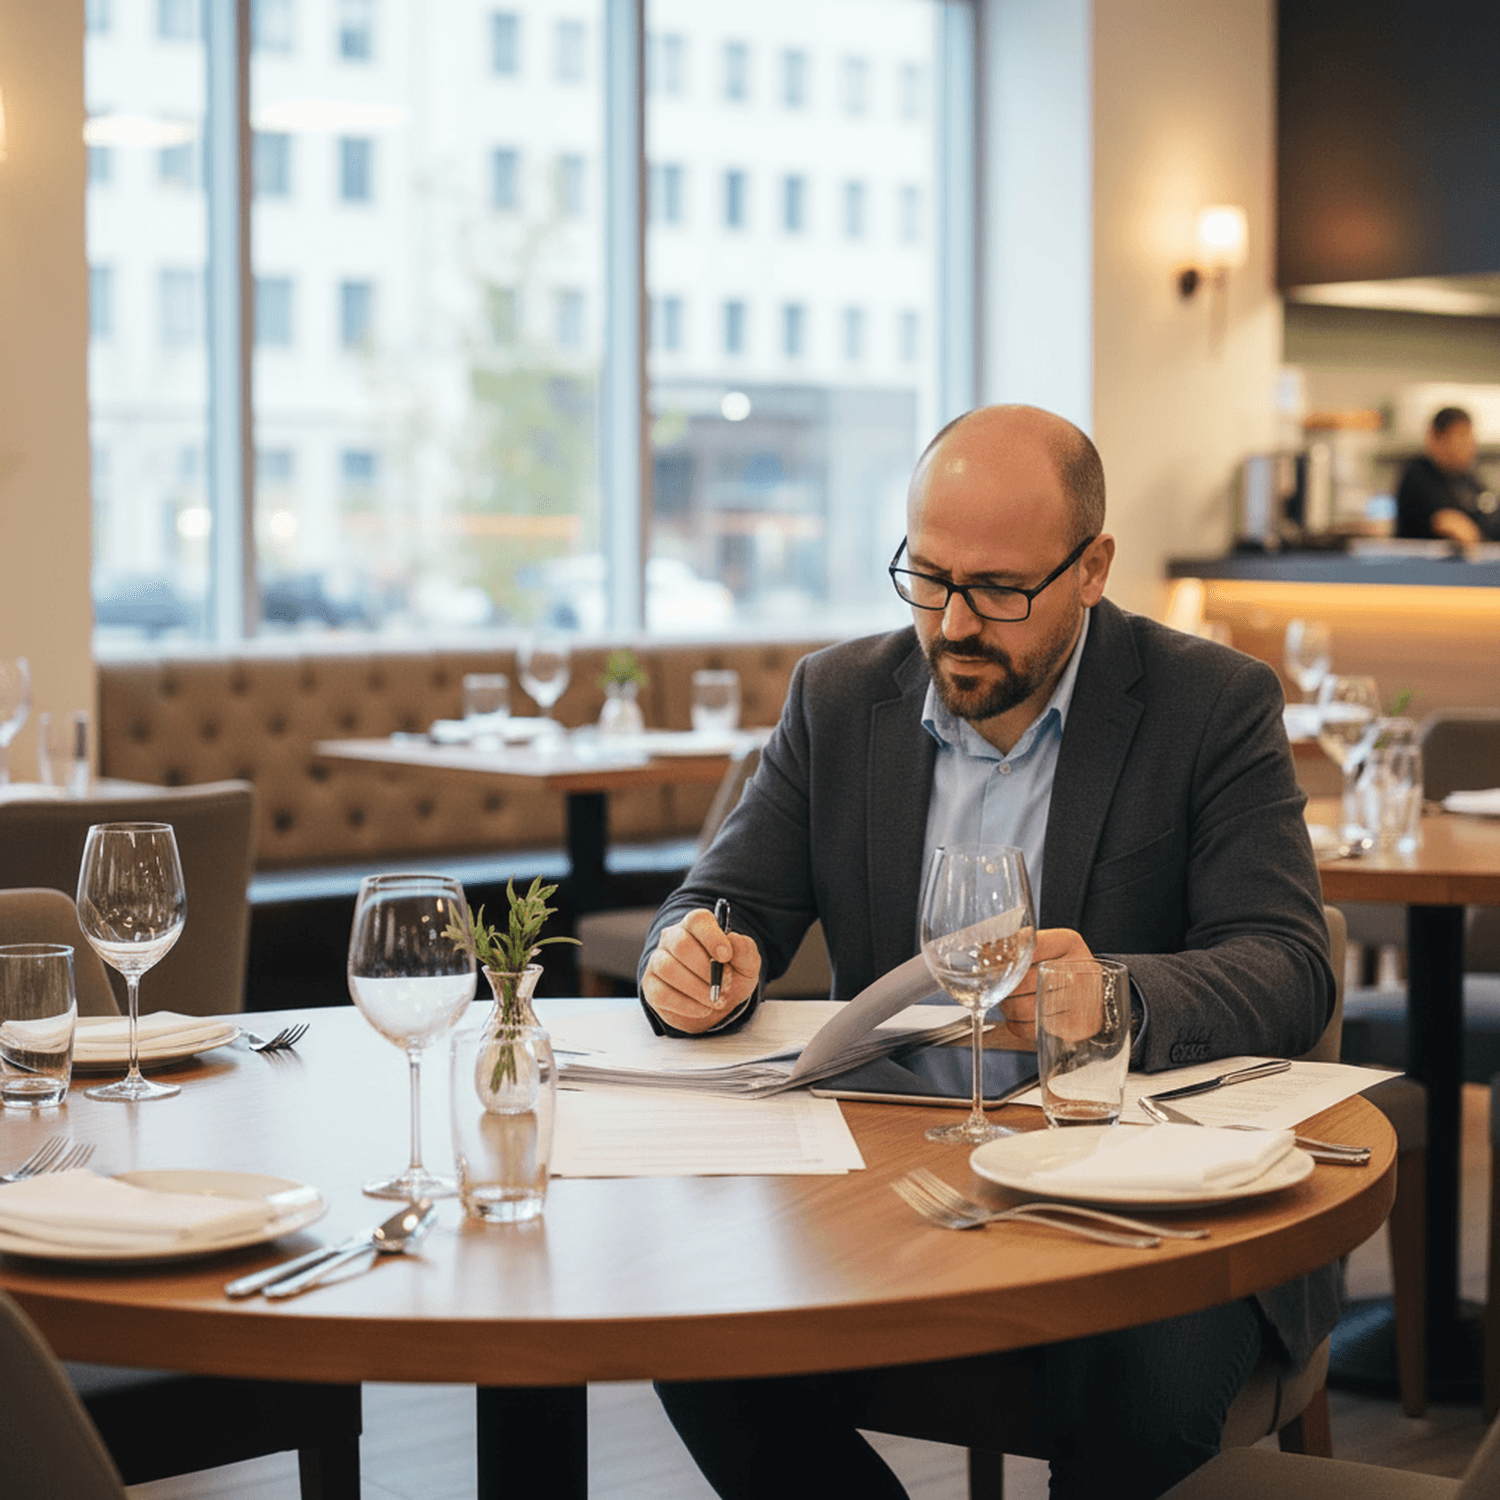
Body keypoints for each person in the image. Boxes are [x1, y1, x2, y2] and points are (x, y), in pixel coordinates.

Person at [638, 404, 1339, 1500]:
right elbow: (721, 901)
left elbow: (1290, 965)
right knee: (698, 1330)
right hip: (892, 1177)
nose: (955, 623)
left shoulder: (1212, 705)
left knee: (1135, 1393)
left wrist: (1109, 995)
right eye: (929, 577)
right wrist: (688, 959)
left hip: (1138, 1195)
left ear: (1093, 567)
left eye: (1001, 591)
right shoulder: (839, 698)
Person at [1396, 405, 1499, 544]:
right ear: (1437, 438)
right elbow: (1452, 525)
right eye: (1462, 435)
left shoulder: (1468, 480)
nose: (1471, 443)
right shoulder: (1418, 476)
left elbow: (1490, 521)